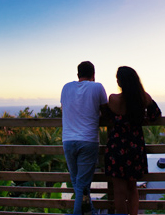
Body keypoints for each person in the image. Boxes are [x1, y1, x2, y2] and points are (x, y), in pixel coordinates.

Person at [105, 66, 161, 215]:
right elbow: (155, 114)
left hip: (117, 147)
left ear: (120, 81)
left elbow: (106, 116)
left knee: (119, 191)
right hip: (135, 146)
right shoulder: (143, 98)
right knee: (132, 188)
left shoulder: (113, 99)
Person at [61, 61, 108, 214]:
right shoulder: (97, 87)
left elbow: (66, 109)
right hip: (88, 140)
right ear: (93, 75)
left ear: (77, 75)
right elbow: (106, 112)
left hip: (68, 140)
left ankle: (91, 212)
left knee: (78, 183)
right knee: (81, 185)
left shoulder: (66, 87)